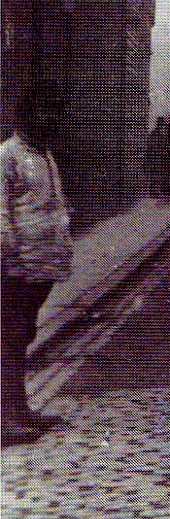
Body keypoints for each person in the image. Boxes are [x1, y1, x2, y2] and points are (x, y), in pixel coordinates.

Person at [1, 82, 74, 446]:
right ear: (27, 115)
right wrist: (8, 257)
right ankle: (5, 418)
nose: (52, 120)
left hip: (41, 266)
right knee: (10, 337)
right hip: (17, 266)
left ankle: (19, 410)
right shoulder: (7, 156)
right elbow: (1, 214)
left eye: (56, 114)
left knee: (23, 335)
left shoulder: (43, 155)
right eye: (46, 112)